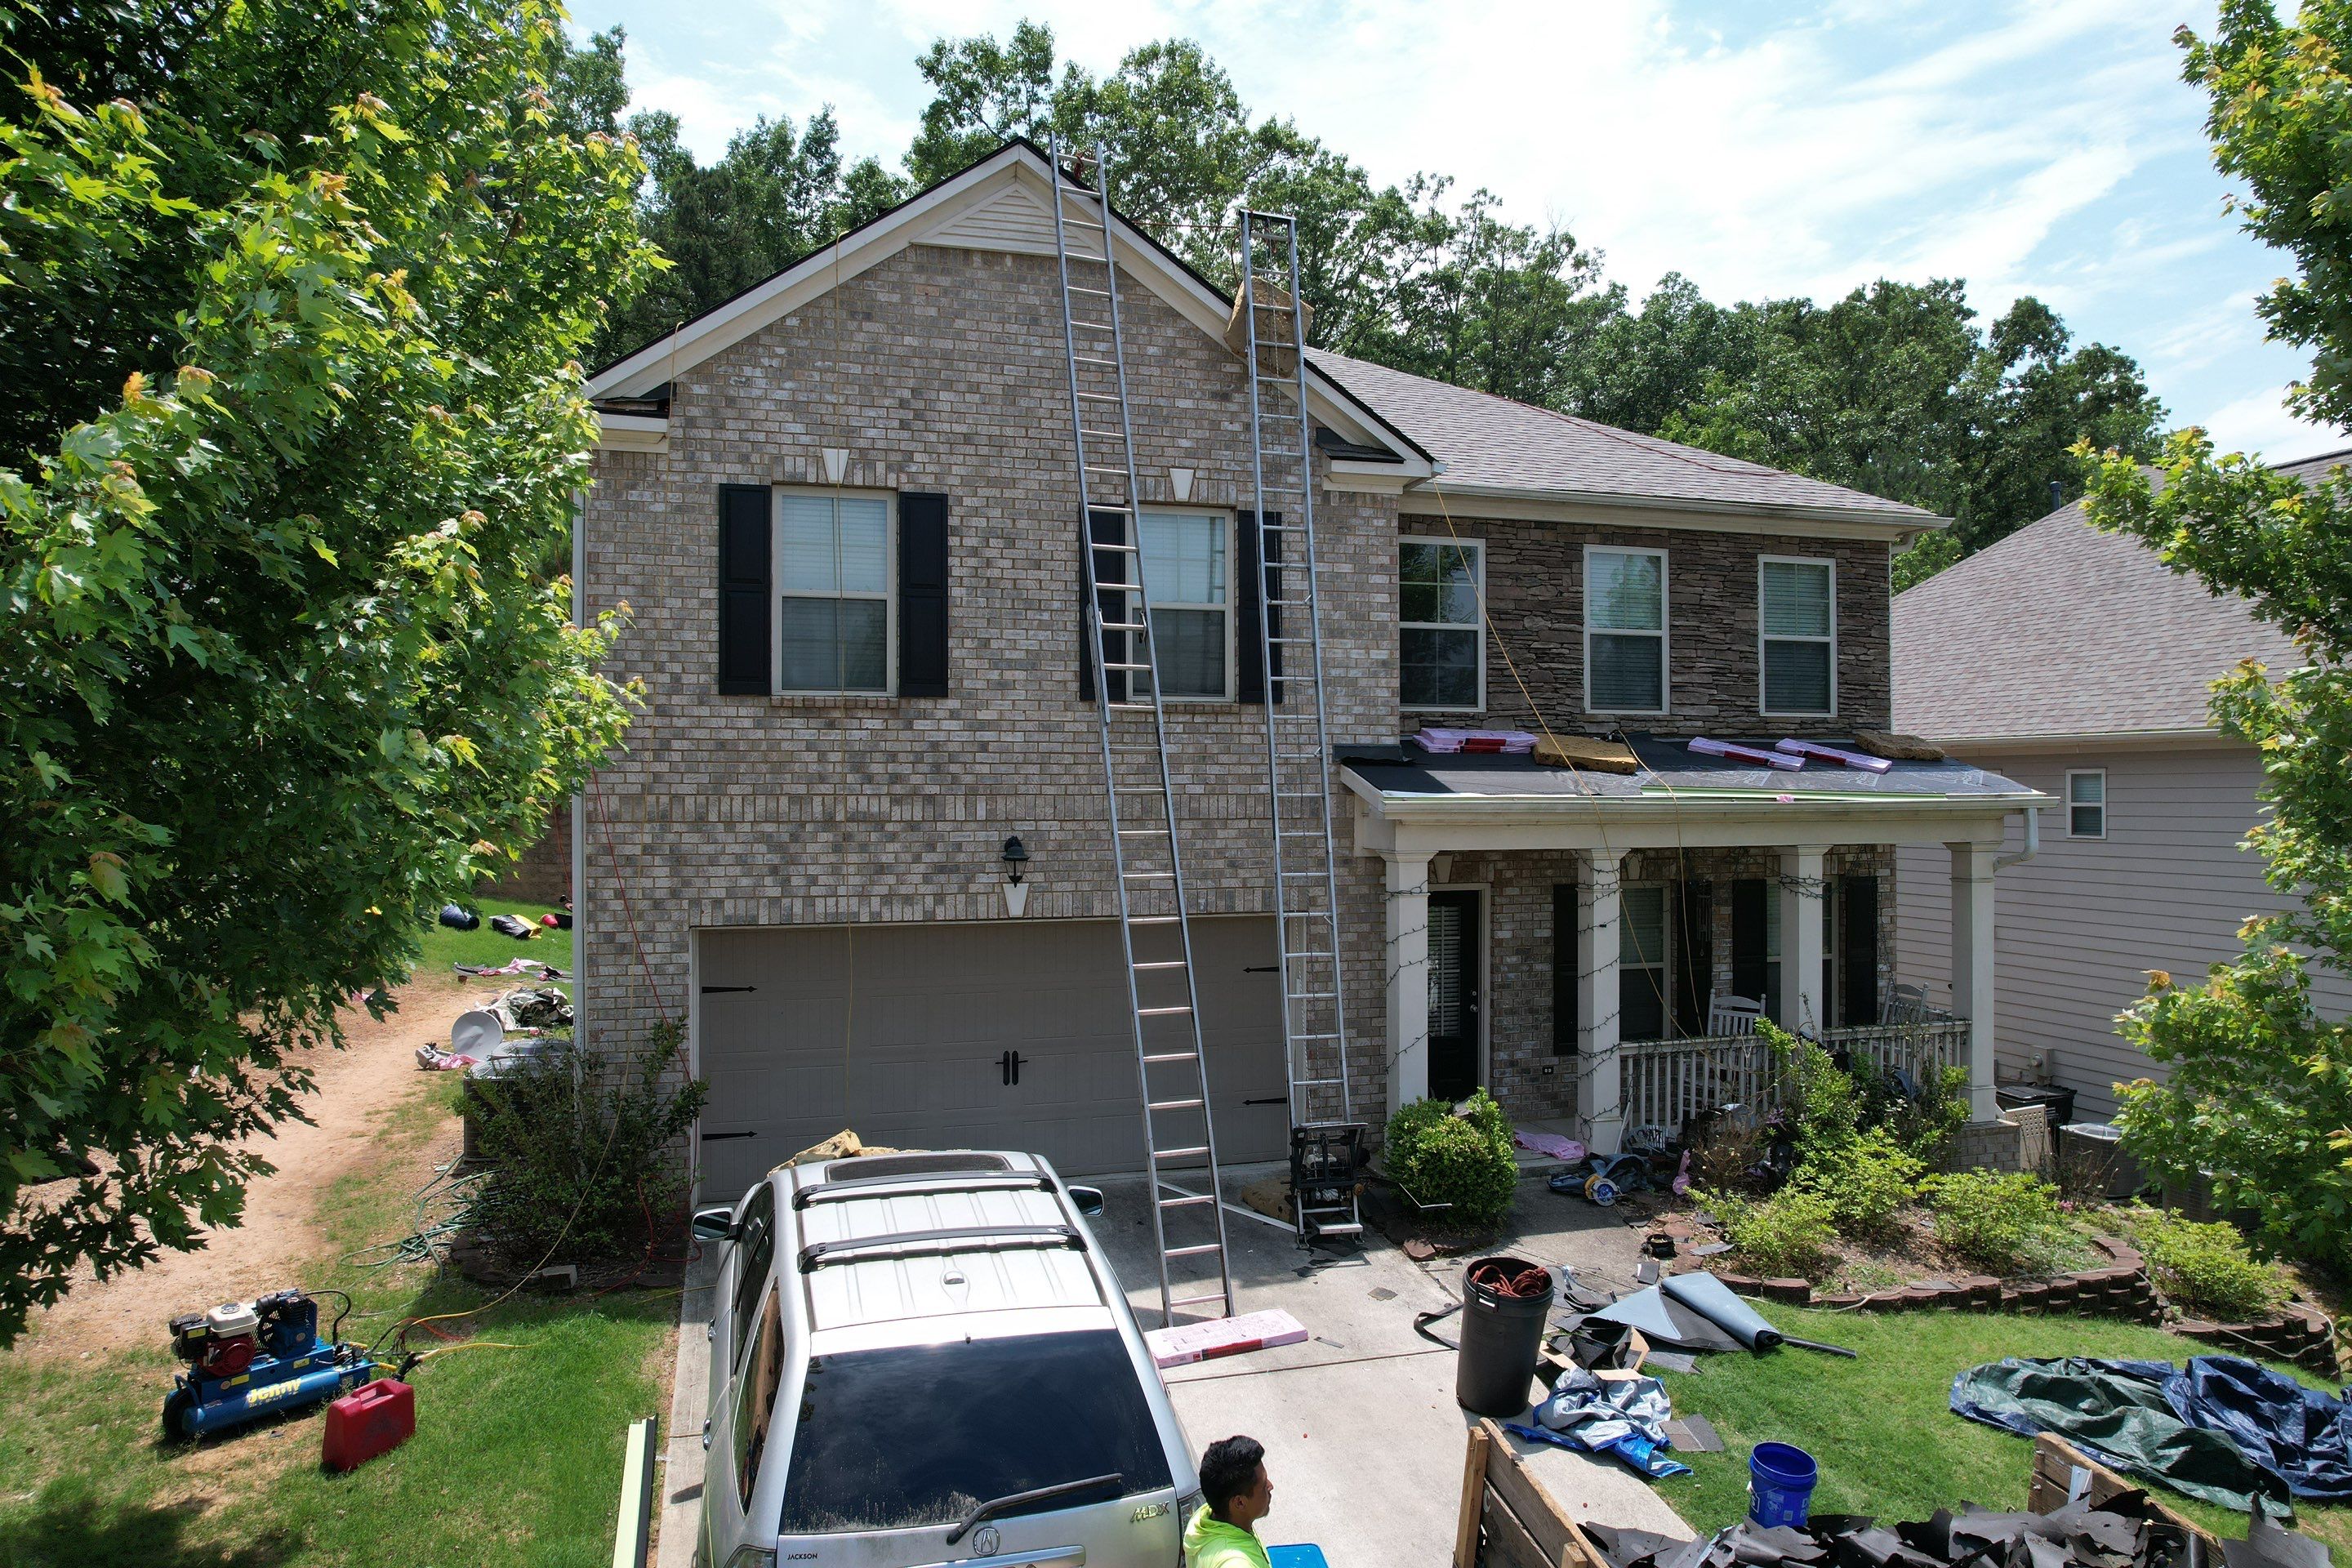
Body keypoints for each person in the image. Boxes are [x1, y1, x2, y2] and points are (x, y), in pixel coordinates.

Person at [1184, 1434, 1274, 1568]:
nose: (1270, 1486)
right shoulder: (1236, 1564)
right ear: (1240, 1503)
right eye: (1263, 1486)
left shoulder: (1204, 1517)